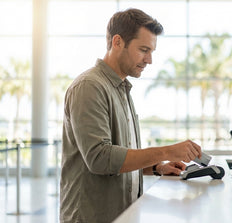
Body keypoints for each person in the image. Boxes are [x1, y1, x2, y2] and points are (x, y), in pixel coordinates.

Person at [60, 8, 202, 223]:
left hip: (121, 215)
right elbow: (99, 159)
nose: (149, 60)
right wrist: (166, 151)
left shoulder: (121, 88)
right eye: (143, 50)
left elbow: (120, 156)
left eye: (151, 51)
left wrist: (156, 167)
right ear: (117, 42)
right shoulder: (89, 87)